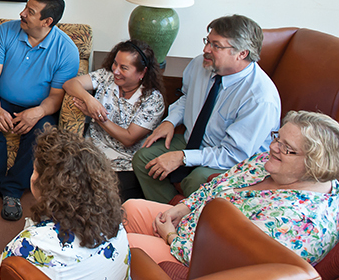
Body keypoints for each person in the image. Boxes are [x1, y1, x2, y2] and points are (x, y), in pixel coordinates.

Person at [124, 111, 339, 266]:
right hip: (191, 224)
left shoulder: (300, 222)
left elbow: (232, 264)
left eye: (287, 148)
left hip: (195, 257)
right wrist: (184, 207)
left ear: (314, 165)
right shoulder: (266, 163)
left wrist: (171, 238)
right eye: (277, 138)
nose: (273, 147)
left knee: (125, 247)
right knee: (130, 208)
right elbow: (217, 185)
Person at [133, 15, 281, 203]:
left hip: (233, 161)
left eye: (216, 46)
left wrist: (183, 157)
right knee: (144, 158)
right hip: (195, 142)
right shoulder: (199, 64)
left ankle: (188, 221)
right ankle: (168, 211)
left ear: (242, 53)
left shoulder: (260, 98)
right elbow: (187, 95)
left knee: (197, 180)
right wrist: (170, 121)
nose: (205, 50)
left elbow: (233, 154)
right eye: (207, 41)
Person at [0, 128, 129, 280]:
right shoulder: (116, 224)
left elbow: (11, 271)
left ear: (45, 185)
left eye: (35, 169)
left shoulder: (31, 242)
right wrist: (5, 260)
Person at [0, 0, 79, 221]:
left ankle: (12, 190)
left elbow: (56, 97)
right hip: (1, 97)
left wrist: (38, 112)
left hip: (39, 105)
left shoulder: (67, 50)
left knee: (44, 130)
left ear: (47, 21)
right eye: (25, 8)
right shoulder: (5, 32)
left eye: (30, 12)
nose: (22, 13)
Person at [63, 40, 165, 200]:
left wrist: (99, 118)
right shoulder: (106, 77)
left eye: (124, 68)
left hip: (126, 164)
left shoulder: (152, 100)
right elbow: (70, 84)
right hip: (93, 152)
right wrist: (90, 101)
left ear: (142, 73)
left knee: (103, 198)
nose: (116, 71)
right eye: (115, 64)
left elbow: (129, 138)